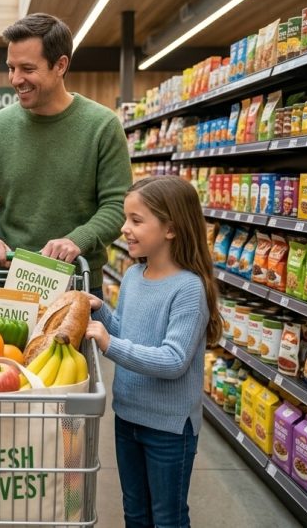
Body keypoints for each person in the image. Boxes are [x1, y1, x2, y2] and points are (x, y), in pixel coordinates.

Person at [84, 175, 223, 528]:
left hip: (169, 429)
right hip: (128, 417)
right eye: (125, 219)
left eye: (136, 220)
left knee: (168, 518)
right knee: (135, 512)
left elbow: (173, 361)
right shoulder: (133, 276)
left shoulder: (189, 289)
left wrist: (108, 343)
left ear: (171, 229)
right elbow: (126, 333)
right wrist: (99, 309)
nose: (124, 229)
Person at [0, 13, 131, 297]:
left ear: (60, 65)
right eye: (11, 68)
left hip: (78, 282)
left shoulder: (102, 125)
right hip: (10, 281)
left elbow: (117, 205)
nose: (16, 79)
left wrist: (77, 240)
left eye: (27, 68)